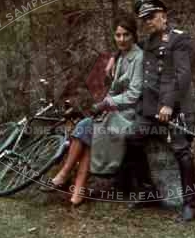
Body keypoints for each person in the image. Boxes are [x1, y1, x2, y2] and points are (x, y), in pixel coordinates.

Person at [50, 15, 144, 206]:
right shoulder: (120, 56)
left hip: (128, 114)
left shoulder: (139, 57)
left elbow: (134, 94)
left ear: (134, 36)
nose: (122, 39)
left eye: (126, 35)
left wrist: (106, 103)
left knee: (87, 128)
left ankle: (67, 176)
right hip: (113, 110)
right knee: (88, 132)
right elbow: (112, 86)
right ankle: (77, 188)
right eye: (118, 35)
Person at [126, 0, 195, 221]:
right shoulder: (147, 43)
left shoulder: (179, 39)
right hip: (150, 109)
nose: (148, 21)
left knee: (182, 151)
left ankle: (192, 202)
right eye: (144, 18)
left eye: (151, 16)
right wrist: (114, 58)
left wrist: (168, 104)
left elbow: (182, 75)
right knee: (132, 139)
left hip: (176, 106)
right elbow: (131, 55)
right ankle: (148, 191)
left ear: (163, 16)